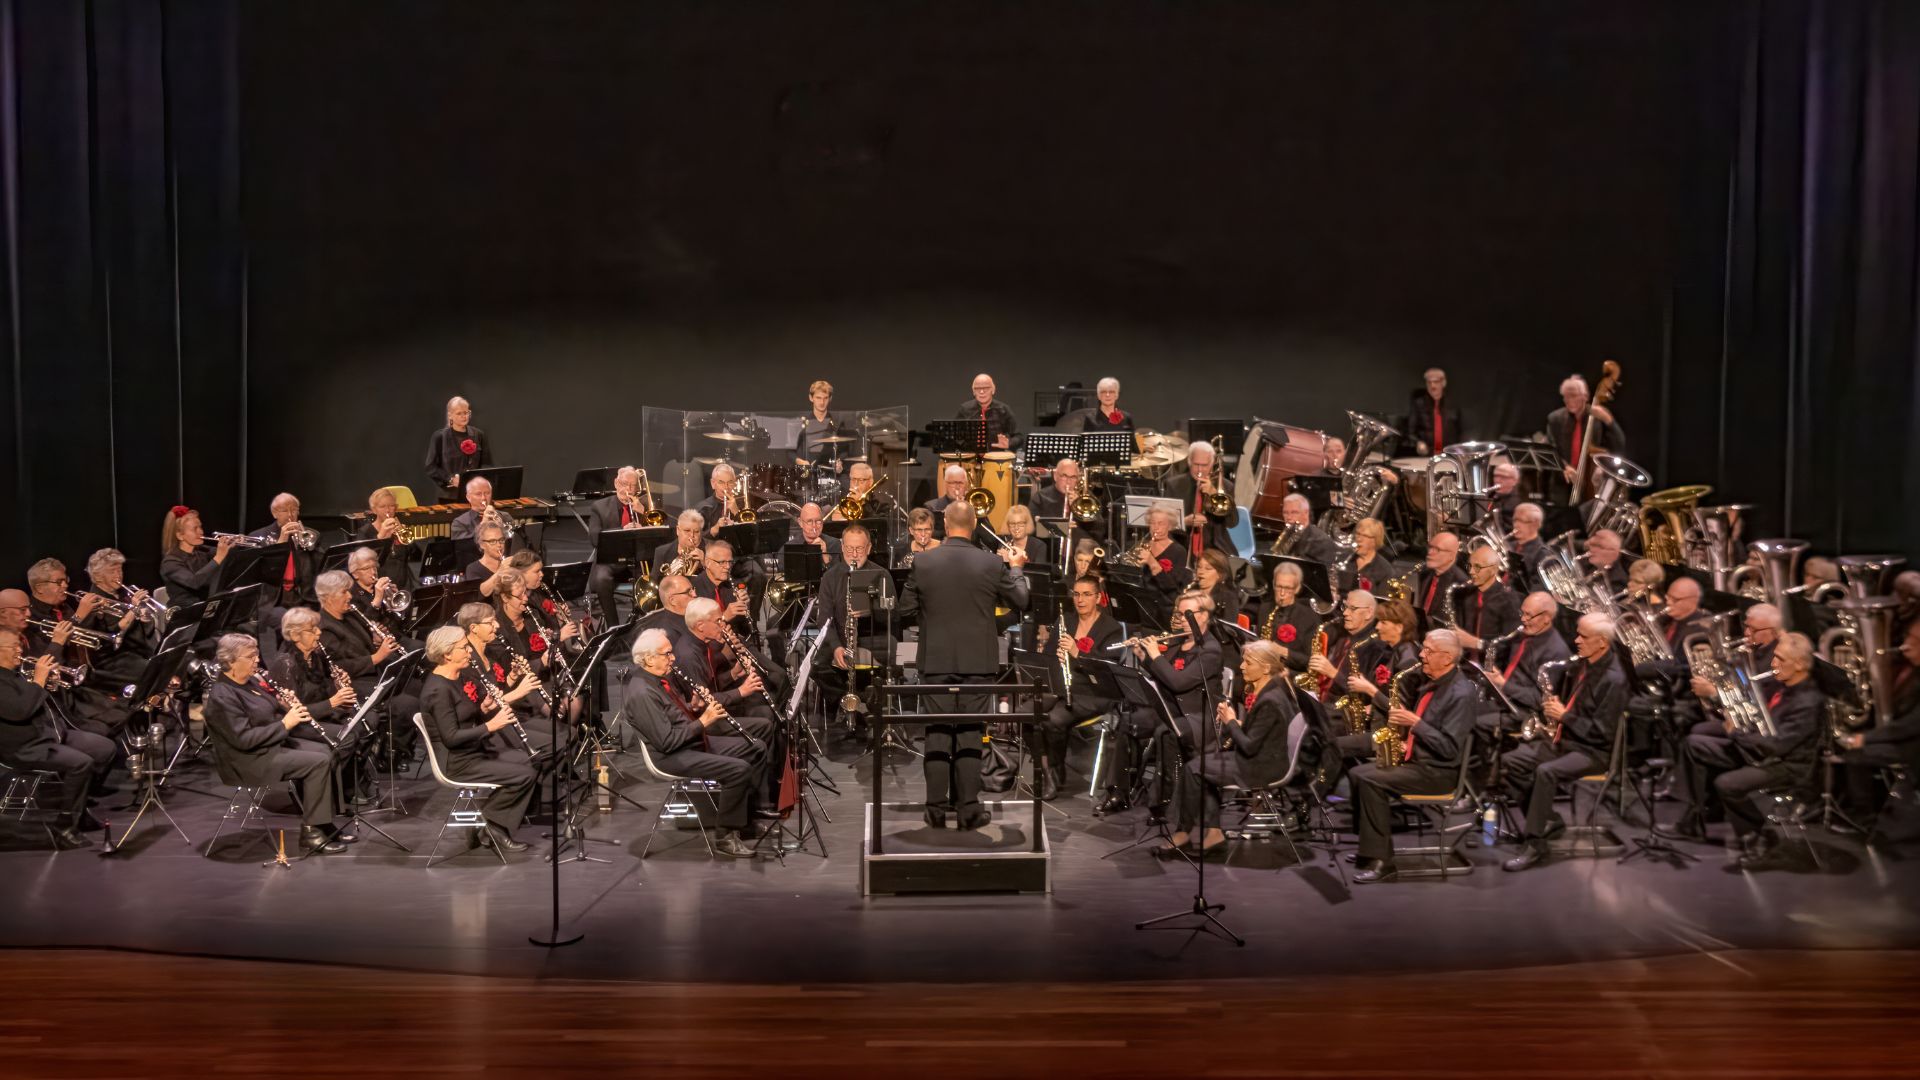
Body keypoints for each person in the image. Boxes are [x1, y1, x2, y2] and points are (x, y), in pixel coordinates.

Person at [895, 501, 1030, 829]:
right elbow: (1022, 601)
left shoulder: (924, 562)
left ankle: (936, 811)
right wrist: (1016, 568)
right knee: (970, 734)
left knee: (938, 734)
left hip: (936, 661)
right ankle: (969, 810)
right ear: (973, 524)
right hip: (977, 663)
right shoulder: (990, 563)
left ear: (944, 522)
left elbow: (905, 609)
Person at [1500, 613, 1630, 872]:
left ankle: (1535, 843)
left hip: (1593, 752)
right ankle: (1547, 820)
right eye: (1577, 633)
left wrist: (1564, 716)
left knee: (1546, 772)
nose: (1576, 640)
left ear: (1602, 642)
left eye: (1583, 636)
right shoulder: (1584, 664)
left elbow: (1602, 733)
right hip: (1567, 742)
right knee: (1510, 762)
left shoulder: (1614, 680)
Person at [1350, 629, 1480, 883]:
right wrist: (1404, 742)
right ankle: (1369, 850)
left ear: (1447, 657)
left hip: (1438, 773)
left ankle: (1383, 863)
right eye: (1424, 648)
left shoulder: (1461, 693)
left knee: (1370, 779)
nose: (1421, 655)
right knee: (1357, 773)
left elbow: (1449, 749)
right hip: (1420, 761)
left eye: (1429, 651)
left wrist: (1415, 723)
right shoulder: (1434, 681)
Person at [1689, 632, 1827, 870]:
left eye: (1781, 659)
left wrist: (1736, 733)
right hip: (1765, 753)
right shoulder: (1783, 687)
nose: (1773, 664)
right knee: (1696, 744)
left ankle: (1758, 835)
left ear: (1801, 665)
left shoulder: (1808, 702)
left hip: (1788, 766)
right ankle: (1697, 814)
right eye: (1775, 657)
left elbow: (1779, 746)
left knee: (1728, 783)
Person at [621, 628, 762, 858]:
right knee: (739, 769)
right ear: (648, 658)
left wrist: (694, 707)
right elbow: (667, 742)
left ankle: (743, 818)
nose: (673, 658)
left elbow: (675, 719)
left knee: (756, 747)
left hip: (689, 742)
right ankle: (725, 837)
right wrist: (705, 721)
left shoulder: (657, 679)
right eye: (666, 654)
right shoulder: (642, 693)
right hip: (670, 757)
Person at [202, 633, 348, 854]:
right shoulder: (223, 695)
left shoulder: (249, 681)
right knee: (317, 761)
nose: (257, 660)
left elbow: (268, 709)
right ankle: (311, 832)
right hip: (248, 760)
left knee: (328, 750)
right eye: (250, 656)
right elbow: (244, 740)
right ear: (231, 661)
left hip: (270, 746)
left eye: (257, 654)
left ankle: (323, 821)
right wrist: (285, 724)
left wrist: (284, 705)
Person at [1161, 639, 1297, 859]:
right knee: (1201, 765)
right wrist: (1239, 724)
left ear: (1266, 668)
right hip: (1262, 757)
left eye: (1248, 662)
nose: (1242, 666)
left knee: (1194, 768)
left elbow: (1249, 746)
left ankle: (1183, 832)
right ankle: (1212, 832)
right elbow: (1262, 735)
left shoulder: (1271, 699)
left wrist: (1231, 721)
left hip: (1261, 767)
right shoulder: (1272, 690)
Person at [418, 625, 537, 853]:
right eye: (464, 648)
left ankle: (489, 822)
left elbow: (464, 716)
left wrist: (483, 708)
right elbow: (451, 738)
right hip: (457, 762)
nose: (469, 651)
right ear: (447, 654)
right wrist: (490, 725)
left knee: (526, 762)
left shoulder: (456, 677)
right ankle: (495, 826)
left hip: (472, 751)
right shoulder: (438, 691)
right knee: (525, 775)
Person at [0, 627, 113, 848]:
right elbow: (20, 710)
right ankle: (65, 824)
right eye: (12, 646)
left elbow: (34, 698)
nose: (19, 650)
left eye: (18, 644)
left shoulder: (16, 672)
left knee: (104, 749)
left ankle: (79, 811)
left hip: (48, 735)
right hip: (22, 746)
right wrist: (40, 680)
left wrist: (46, 681)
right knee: (81, 763)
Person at [1032, 575, 1125, 799]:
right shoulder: (1065, 622)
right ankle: (1048, 769)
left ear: (1098, 597)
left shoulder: (1111, 628)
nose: (1080, 599)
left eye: (1086, 594)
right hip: (1062, 687)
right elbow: (1047, 660)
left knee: (1053, 719)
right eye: (1076, 594)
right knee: (1025, 713)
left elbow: (1107, 669)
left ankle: (1054, 771)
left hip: (1093, 693)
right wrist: (1055, 658)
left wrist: (1077, 654)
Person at [1546, 375, 1624, 501]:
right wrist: (1564, 467)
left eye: (1573, 395)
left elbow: (1618, 444)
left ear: (1585, 396)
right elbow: (1551, 449)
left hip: (1591, 483)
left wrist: (1609, 421)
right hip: (1561, 484)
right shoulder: (1555, 419)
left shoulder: (1598, 417)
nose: (1568, 400)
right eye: (1565, 396)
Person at [1163, 441, 1234, 559]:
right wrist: (1184, 521)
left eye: (1204, 465)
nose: (1200, 470)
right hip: (1181, 544)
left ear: (1212, 463)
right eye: (1196, 464)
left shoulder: (1226, 486)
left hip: (1215, 546)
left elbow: (1231, 522)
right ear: (1189, 462)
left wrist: (1214, 495)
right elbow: (1165, 521)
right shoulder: (1173, 484)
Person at [1450, 543, 1521, 658]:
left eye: (1477, 567)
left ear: (1493, 570)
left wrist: (1477, 643)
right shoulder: (1465, 594)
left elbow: (1510, 647)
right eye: (1470, 566)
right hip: (1464, 661)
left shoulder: (1509, 601)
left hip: (1491, 667)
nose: (1471, 572)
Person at [157, 506, 236, 608]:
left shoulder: (202, 550)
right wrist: (219, 557)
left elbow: (229, 554)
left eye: (200, 527)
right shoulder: (170, 562)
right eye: (195, 529)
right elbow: (194, 582)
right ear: (180, 535)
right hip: (184, 615)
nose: (201, 532)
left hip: (206, 609)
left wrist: (235, 544)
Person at [1260, 562, 1320, 679]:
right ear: (1273, 584)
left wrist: (1282, 651)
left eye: (1287, 588)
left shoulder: (1309, 617)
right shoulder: (1265, 608)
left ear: (1297, 589)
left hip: (1289, 674)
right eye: (1279, 586)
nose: (1282, 594)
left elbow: (1309, 661)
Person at [425, 395, 490, 501]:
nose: (464, 416)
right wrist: (450, 479)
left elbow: (487, 464)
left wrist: (477, 481)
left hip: (475, 495)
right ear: (450, 415)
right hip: (449, 496)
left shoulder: (479, 435)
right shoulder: (440, 437)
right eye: (459, 413)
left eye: (466, 413)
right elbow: (430, 467)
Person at [1411, 531, 1468, 633]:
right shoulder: (1425, 573)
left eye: (1437, 549)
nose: (1430, 552)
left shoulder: (1461, 583)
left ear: (1451, 555)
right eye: (1430, 547)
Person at [1405, 368, 1463, 457]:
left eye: (1436, 382)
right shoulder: (1419, 403)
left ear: (1443, 383)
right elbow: (1410, 432)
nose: (1432, 386)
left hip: (1449, 455)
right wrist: (1418, 442)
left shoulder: (1453, 404)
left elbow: (1461, 431)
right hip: (1427, 456)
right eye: (1429, 382)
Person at [958, 373, 1017, 451]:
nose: (982, 392)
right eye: (977, 388)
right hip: (971, 459)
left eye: (986, 388)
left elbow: (1018, 436)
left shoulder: (1003, 409)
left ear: (993, 390)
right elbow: (956, 436)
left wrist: (1009, 443)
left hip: (996, 458)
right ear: (973, 392)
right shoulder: (964, 409)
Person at [653, 510, 707, 583]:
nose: (692, 535)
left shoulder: (711, 550)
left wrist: (705, 563)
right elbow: (655, 582)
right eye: (687, 531)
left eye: (697, 531)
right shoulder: (662, 552)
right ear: (678, 530)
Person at [1349, 517, 1398, 595]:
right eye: (1358, 534)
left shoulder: (1386, 571)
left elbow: (1381, 604)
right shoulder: (1345, 559)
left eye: (1365, 536)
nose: (1359, 539)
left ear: (1375, 541)